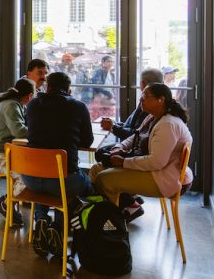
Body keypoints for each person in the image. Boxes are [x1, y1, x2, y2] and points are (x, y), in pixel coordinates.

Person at [92, 83, 194, 225]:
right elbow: (135, 136)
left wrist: (123, 162)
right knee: (95, 169)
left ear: (161, 100)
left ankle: (112, 225)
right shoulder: (153, 117)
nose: (141, 100)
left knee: (104, 179)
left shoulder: (168, 125)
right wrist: (119, 147)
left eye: (145, 96)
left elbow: (156, 162)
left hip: (162, 178)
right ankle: (98, 219)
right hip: (157, 171)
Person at [22, 72, 94, 257]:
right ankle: (59, 229)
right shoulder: (79, 107)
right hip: (64, 180)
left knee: (44, 189)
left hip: (29, 178)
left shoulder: (32, 105)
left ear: (47, 87)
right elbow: (87, 140)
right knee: (85, 185)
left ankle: (41, 220)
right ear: (69, 90)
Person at [0, 78, 35, 227]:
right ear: (29, 96)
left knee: (29, 171)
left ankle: (7, 199)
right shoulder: (11, 105)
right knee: (27, 175)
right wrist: (37, 132)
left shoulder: (11, 103)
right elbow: (18, 131)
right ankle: (6, 204)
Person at [100, 67, 164, 141]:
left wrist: (112, 127)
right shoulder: (159, 101)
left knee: (100, 151)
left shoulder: (149, 104)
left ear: (142, 84)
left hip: (134, 147)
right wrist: (114, 124)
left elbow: (134, 135)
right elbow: (131, 127)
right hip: (133, 144)